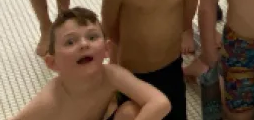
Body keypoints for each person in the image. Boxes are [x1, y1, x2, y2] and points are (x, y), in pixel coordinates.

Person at [12, 7, 171, 120]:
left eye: (92, 37)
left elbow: (160, 103)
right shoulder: (50, 99)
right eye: (70, 42)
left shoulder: (112, 74)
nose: (84, 45)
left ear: (107, 49)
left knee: (131, 112)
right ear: (52, 63)